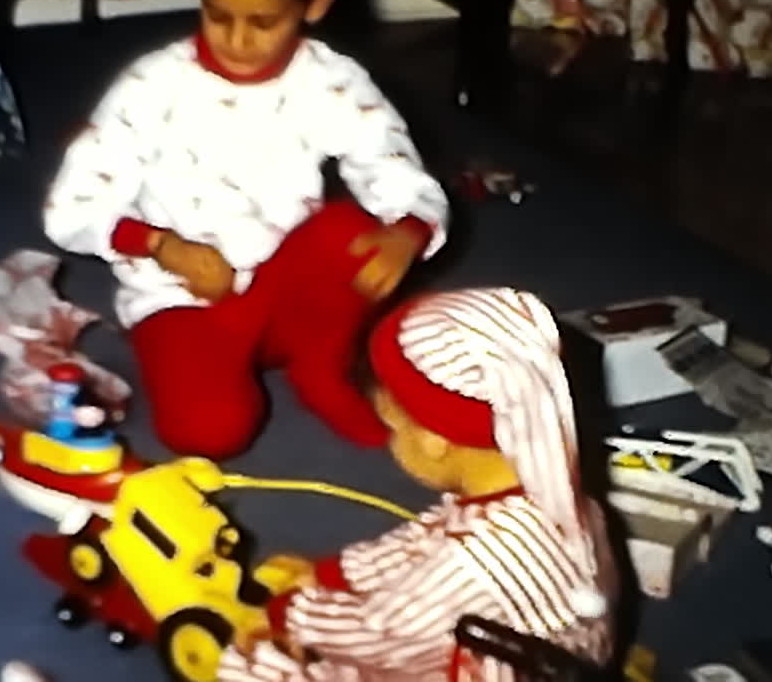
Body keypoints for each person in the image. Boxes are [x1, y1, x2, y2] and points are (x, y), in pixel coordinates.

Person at [42, 0, 450, 460]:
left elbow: (397, 173)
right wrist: (160, 245)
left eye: (263, 24)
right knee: (208, 432)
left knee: (353, 232)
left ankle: (320, 365)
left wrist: (407, 231)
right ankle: (206, 361)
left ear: (314, 5)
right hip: (183, 298)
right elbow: (70, 207)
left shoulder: (332, 81)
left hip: (284, 290)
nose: (237, 41)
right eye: (218, 16)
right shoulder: (151, 86)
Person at [219, 287, 620, 681]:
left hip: (492, 667)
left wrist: (291, 610)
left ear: (435, 441)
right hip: (558, 650)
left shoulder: (473, 564)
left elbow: (382, 634)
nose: (388, 439)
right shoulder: (555, 492)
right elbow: (424, 538)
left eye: (392, 426)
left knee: (252, 668)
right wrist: (336, 574)